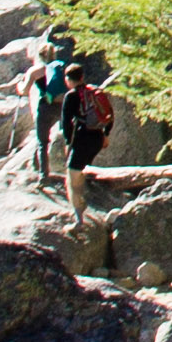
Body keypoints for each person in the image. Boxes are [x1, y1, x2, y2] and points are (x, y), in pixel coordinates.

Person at [59, 71, 116, 220]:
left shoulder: (71, 96)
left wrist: (67, 142)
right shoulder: (94, 92)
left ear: (68, 80)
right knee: (83, 171)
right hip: (97, 138)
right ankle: (87, 203)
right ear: (82, 77)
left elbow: (66, 123)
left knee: (72, 175)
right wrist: (105, 134)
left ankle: (78, 217)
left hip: (82, 139)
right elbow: (110, 115)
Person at [29, 35, 76, 180]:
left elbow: (24, 90)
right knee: (68, 139)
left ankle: (43, 175)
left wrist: (19, 87)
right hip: (62, 106)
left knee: (42, 141)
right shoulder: (61, 69)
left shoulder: (36, 71)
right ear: (54, 54)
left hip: (45, 108)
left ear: (40, 55)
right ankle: (71, 172)